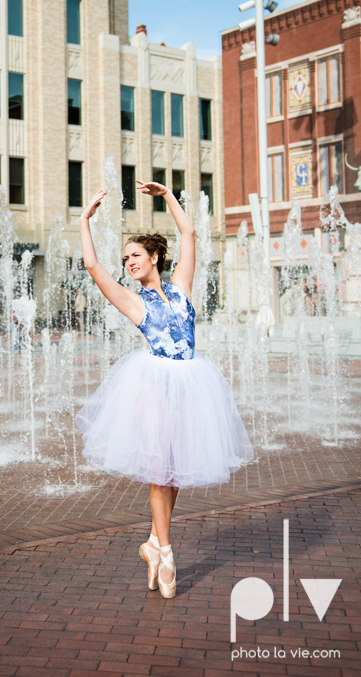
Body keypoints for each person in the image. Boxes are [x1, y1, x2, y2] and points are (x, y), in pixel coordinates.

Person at [75, 179, 253, 598]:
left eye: (135, 255)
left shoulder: (181, 288)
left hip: (191, 383)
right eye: (126, 258)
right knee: (160, 470)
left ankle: (153, 544)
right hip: (153, 385)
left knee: (174, 472)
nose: (128, 263)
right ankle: (168, 552)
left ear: (155, 257)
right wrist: (84, 219)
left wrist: (169, 197)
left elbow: (189, 234)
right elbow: (93, 268)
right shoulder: (134, 302)